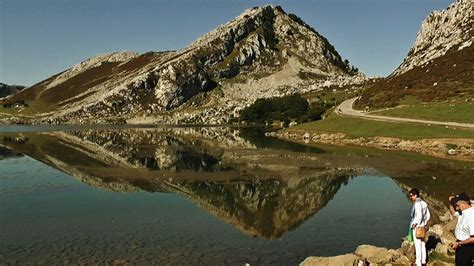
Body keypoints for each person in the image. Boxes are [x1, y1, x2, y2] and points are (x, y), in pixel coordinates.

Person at [449, 192, 474, 266]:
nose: (456, 207)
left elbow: (473, 238)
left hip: (467, 248)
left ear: (463, 203)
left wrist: (459, 243)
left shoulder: (471, 215)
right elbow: (453, 213)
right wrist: (450, 203)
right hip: (460, 245)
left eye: (457, 205)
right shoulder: (462, 212)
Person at [409, 188, 430, 266]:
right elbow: (428, 215)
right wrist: (424, 223)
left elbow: (419, 216)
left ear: (415, 195)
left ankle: (418, 263)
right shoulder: (424, 203)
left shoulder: (417, 204)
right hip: (423, 227)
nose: (410, 197)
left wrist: (415, 224)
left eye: (411, 196)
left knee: (417, 245)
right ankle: (424, 261)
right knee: (423, 244)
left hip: (417, 228)